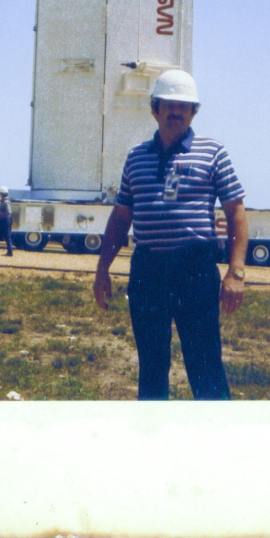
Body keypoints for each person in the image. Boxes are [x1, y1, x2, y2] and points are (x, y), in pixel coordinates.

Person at [92, 69, 247, 401]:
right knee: (151, 366)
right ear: (154, 108)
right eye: (169, 105)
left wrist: (236, 272)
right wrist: (102, 270)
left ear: (193, 112)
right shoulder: (136, 158)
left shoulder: (213, 152)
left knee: (205, 364)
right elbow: (121, 217)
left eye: (184, 106)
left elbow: (235, 212)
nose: (176, 112)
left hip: (195, 270)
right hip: (148, 271)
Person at [0, 189, 14, 257]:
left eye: (0, 193)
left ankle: (8, 252)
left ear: (2, 194)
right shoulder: (4, 201)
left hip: (5, 221)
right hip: (3, 221)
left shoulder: (6, 202)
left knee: (6, 237)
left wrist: (0, 213)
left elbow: (9, 212)